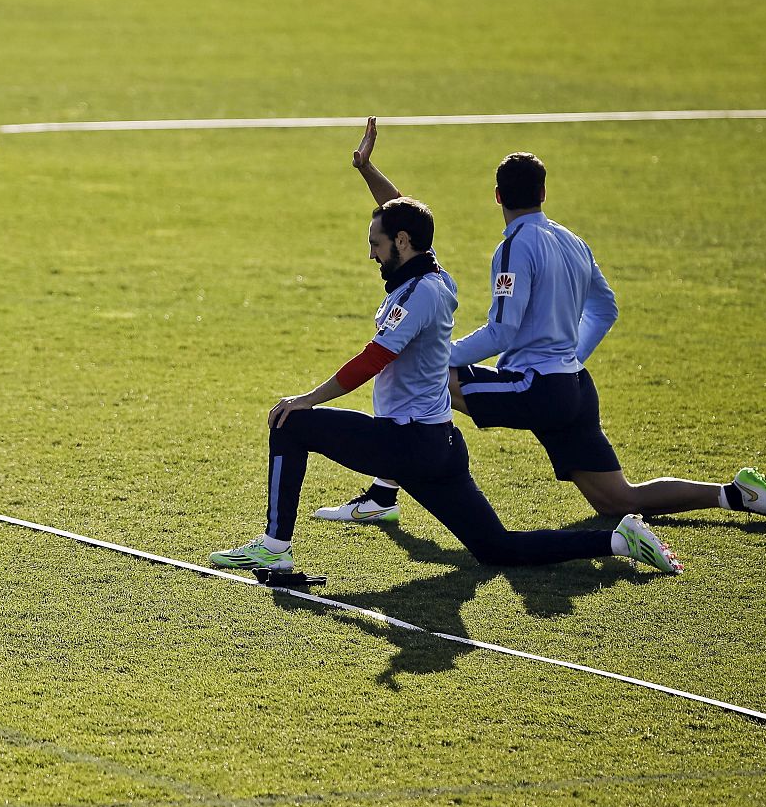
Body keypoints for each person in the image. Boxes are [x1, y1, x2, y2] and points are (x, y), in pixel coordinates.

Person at [317, 118, 766, 527]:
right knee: (619, 500)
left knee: (427, 378)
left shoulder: (512, 247)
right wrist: (568, 360)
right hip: (571, 387)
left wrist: (443, 355)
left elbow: (501, 332)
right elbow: (605, 309)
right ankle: (733, 494)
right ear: (544, 192)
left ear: (497, 195)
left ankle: (381, 499)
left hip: (535, 388)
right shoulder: (573, 241)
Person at [209, 184, 683, 577]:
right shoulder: (437, 277)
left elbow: (372, 359)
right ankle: (619, 540)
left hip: (407, 443)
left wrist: (308, 398)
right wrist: (368, 173)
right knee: (498, 549)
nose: (370, 254)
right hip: (439, 448)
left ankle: (274, 545)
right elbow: (409, 219)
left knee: (289, 422)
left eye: (376, 243)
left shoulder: (420, 295)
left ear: (401, 242)